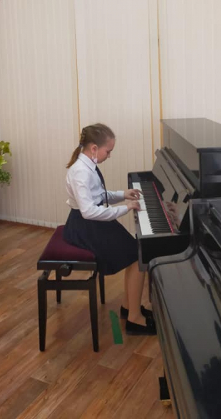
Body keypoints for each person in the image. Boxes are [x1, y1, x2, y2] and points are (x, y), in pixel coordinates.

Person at [63, 123, 156, 335]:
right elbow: (89, 211)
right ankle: (134, 318)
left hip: (93, 223)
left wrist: (123, 194)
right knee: (137, 256)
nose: (109, 155)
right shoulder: (80, 172)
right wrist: (125, 208)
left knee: (135, 251)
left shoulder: (88, 165)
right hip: (85, 227)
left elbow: (99, 196)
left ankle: (129, 307)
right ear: (94, 148)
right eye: (108, 151)